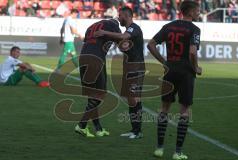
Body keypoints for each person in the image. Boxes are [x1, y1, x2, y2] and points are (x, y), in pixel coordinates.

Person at [147, 1, 202, 159]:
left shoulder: (168, 26)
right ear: (190, 12)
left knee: (164, 108)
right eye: (197, 10)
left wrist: (164, 62)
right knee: (184, 110)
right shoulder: (194, 29)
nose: (198, 13)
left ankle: (159, 148)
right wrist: (196, 67)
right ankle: (178, 152)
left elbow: (151, 45)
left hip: (169, 70)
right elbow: (192, 52)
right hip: (186, 72)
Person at [95, 6, 145, 139]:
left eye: (120, 15)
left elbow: (123, 36)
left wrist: (105, 32)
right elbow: (124, 44)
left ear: (127, 16)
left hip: (136, 67)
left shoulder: (134, 28)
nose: (119, 17)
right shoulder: (128, 32)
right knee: (131, 99)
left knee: (134, 98)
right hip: (129, 67)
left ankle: (137, 131)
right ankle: (134, 129)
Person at [74, 19, 121, 138]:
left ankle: (98, 129)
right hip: (96, 58)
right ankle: (81, 125)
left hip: (83, 58)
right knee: (99, 95)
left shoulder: (91, 26)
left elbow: (88, 41)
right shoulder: (112, 24)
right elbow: (121, 40)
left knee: (92, 96)